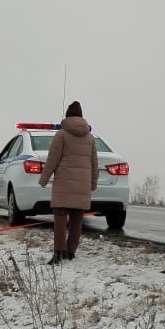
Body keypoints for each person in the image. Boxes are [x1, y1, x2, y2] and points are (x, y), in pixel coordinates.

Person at [38, 101, 98, 265]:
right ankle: (70, 252)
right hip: (82, 186)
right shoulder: (90, 138)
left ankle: (58, 253)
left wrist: (43, 179)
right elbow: (94, 164)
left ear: (67, 115)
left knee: (60, 218)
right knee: (77, 220)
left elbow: (52, 160)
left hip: (63, 186)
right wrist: (93, 183)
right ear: (81, 116)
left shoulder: (61, 135)